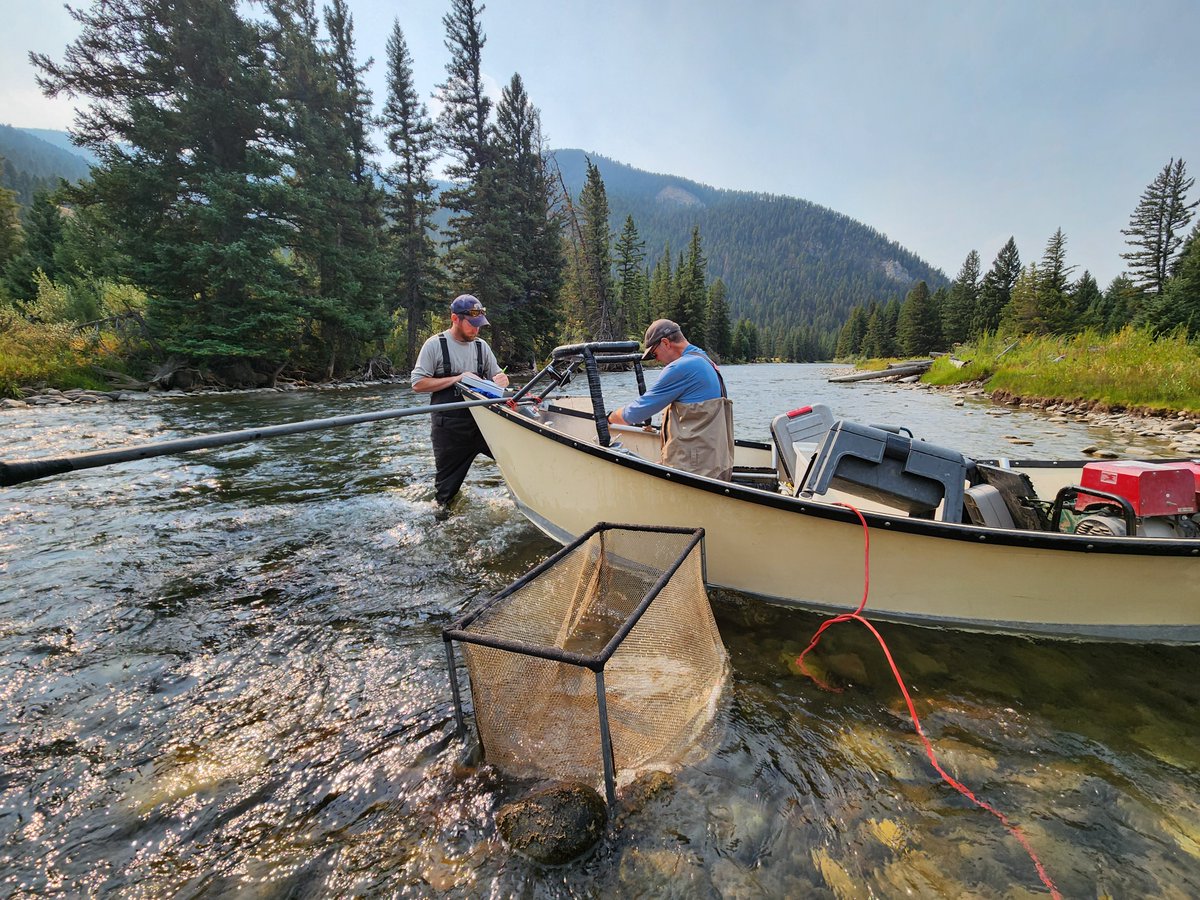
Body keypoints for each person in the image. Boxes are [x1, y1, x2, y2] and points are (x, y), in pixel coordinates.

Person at [411, 294, 510, 509]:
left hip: (485, 425)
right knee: (446, 494)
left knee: (516, 460)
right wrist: (458, 379)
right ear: (455, 318)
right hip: (449, 430)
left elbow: (497, 375)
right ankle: (442, 519)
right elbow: (417, 384)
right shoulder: (434, 345)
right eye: (472, 324)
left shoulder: (482, 346)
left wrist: (502, 379)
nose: (476, 329)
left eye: (479, 325)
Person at [607, 319, 734, 480]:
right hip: (716, 465)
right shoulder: (704, 359)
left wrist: (609, 418)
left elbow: (637, 412)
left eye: (654, 353)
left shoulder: (681, 367)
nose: (656, 359)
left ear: (665, 343)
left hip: (695, 471)